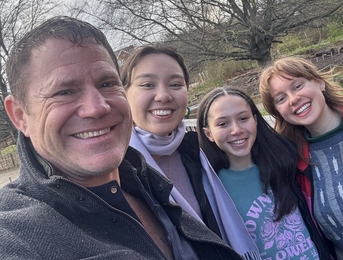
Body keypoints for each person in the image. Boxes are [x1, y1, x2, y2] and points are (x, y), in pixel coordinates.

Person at [0, 16, 244, 260]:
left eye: (106, 83)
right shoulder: (16, 236)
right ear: (20, 116)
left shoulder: (146, 179)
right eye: (64, 92)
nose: (96, 107)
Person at [120, 45, 262, 259]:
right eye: (148, 84)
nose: (163, 95)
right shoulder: (117, 171)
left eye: (175, 84)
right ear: (124, 94)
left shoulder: (196, 152)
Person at [197, 86, 335, 259]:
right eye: (223, 124)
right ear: (208, 133)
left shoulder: (285, 163)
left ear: (255, 120)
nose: (236, 130)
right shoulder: (209, 190)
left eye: (243, 118)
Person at [259, 56, 343, 259]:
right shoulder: (291, 162)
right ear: (279, 113)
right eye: (281, 98)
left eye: (297, 86)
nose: (293, 99)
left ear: (319, 82)